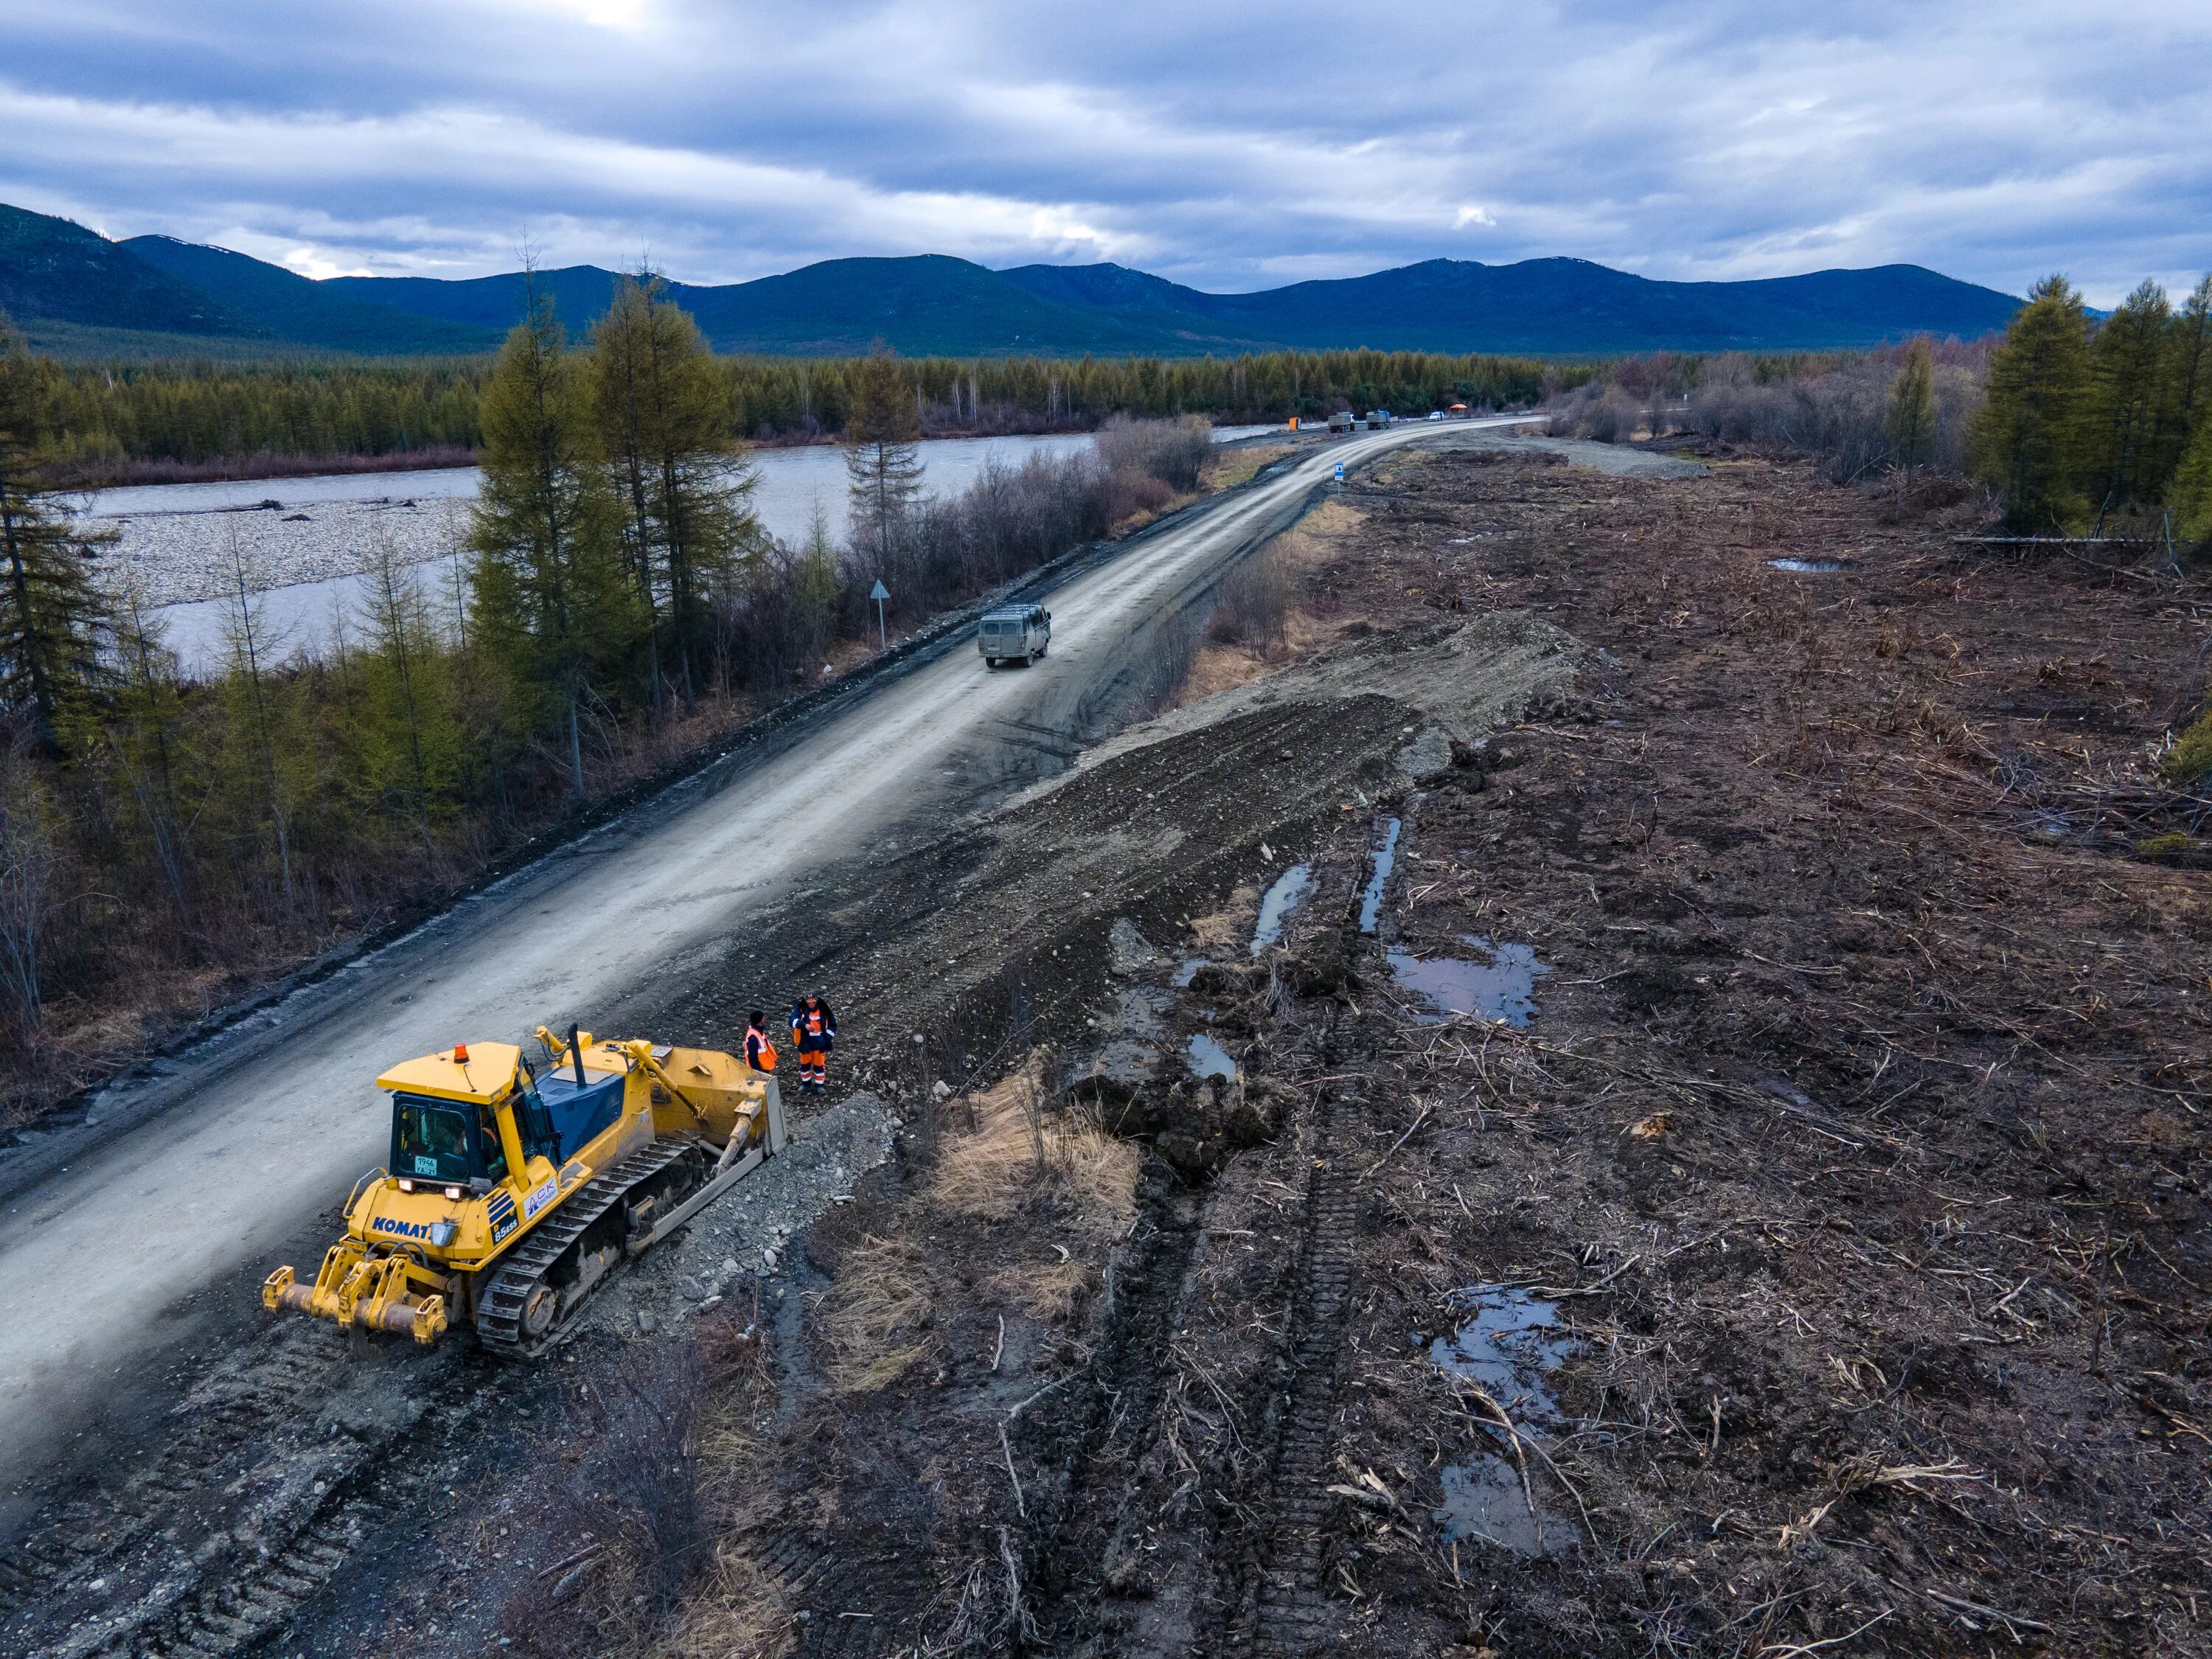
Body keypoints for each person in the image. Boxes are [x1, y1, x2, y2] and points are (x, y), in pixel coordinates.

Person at [788, 990, 835, 1093]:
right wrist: (804, 1025)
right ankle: (806, 1084)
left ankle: (820, 1085)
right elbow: (792, 1020)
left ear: (817, 999)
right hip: (805, 1042)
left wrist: (827, 1038)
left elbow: (832, 1024)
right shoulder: (800, 1008)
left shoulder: (824, 1009)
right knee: (804, 1065)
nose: (811, 1002)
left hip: (820, 1043)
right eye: (808, 1000)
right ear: (806, 1001)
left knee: (819, 1065)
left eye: (813, 999)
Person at [743, 1009, 776, 1074]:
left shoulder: (756, 1032)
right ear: (761, 1020)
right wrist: (759, 1072)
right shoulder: (753, 1036)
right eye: (763, 1017)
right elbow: (752, 1057)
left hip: (763, 1066)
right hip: (760, 1069)